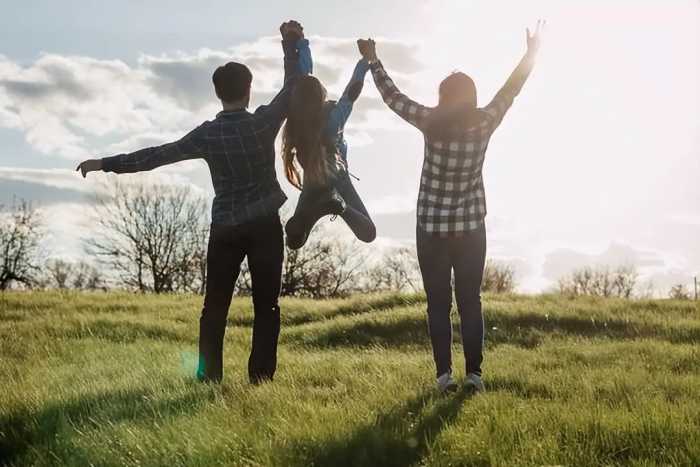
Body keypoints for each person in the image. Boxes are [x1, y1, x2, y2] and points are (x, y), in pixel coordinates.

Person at [76, 20, 307, 384]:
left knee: (213, 309)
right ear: (248, 91)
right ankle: (261, 381)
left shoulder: (207, 134)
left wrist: (106, 164)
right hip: (264, 225)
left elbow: (157, 155)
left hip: (226, 227)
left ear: (219, 94)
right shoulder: (262, 123)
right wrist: (290, 43)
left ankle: (209, 379)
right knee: (267, 307)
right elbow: (293, 86)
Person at [359, 21, 544, 393]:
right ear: (472, 98)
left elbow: (392, 97)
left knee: (438, 304)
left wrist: (374, 60)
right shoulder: (485, 122)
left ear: (443, 98)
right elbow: (510, 91)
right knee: (470, 301)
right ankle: (474, 376)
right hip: (471, 225)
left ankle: (444, 377)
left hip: (431, 226)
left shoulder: (430, 121)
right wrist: (531, 54)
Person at [281, 38, 376, 249]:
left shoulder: (295, 119)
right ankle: (338, 207)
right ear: (320, 95)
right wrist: (365, 61)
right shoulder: (333, 118)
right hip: (338, 181)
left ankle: (311, 214)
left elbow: (305, 78)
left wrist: (299, 44)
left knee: (295, 242)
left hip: (312, 184)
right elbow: (352, 92)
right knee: (368, 232)